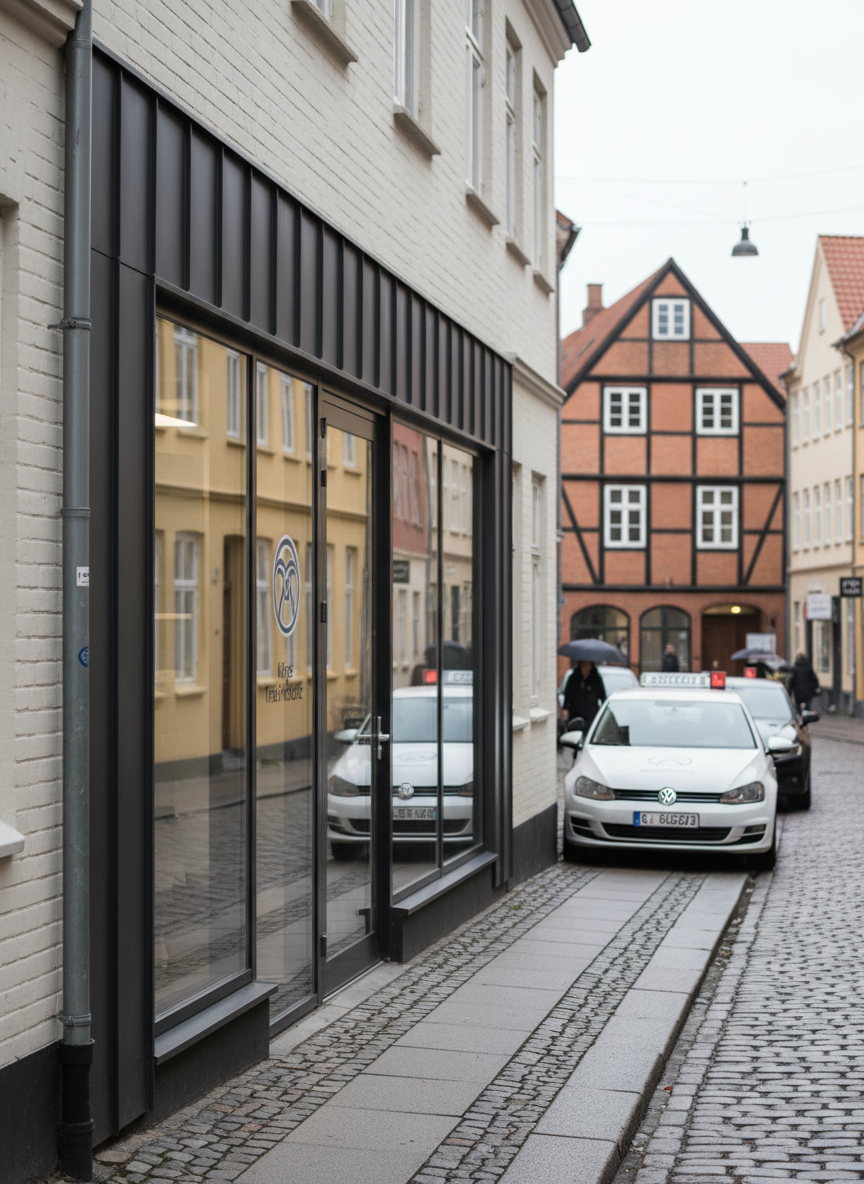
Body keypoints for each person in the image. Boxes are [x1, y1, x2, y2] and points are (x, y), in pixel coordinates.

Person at [562, 660, 607, 733]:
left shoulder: (596, 678)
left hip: (591, 712)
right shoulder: (573, 678)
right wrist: (565, 708)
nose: (585, 666)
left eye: (587, 664)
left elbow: (602, 695)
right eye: (583, 663)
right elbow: (568, 694)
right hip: (576, 712)